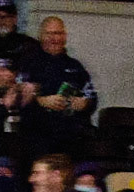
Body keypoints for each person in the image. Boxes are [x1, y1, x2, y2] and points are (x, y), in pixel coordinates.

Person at [18, 17, 95, 159]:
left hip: (71, 139)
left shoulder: (75, 66)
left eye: (58, 33)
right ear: (40, 36)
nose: (54, 38)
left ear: (64, 36)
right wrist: (40, 101)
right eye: (49, 34)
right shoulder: (28, 64)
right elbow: (16, 99)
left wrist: (84, 103)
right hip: (37, 138)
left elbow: (92, 97)